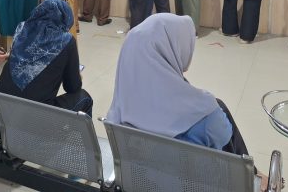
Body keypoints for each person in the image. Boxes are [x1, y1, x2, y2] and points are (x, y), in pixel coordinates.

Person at [106, 14, 267, 187]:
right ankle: (254, 175)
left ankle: (254, 173)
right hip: (196, 185)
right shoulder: (205, 115)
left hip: (141, 183)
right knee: (220, 112)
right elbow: (228, 150)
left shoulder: (121, 106)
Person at [0, 0, 93, 138]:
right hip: (31, 127)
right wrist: (74, 73)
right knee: (84, 97)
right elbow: (73, 87)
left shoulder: (21, 29)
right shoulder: (66, 40)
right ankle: (78, 145)